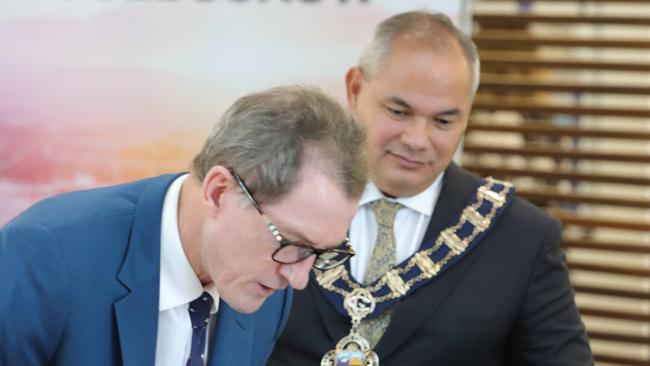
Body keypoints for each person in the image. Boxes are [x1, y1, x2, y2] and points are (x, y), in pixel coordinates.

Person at [268, 11, 593, 365]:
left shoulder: (522, 237)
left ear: (467, 116)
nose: (417, 140)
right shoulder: (278, 197)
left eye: (443, 121)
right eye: (398, 112)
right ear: (355, 89)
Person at [0, 85, 368, 366]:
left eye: (319, 253)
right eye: (293, 243)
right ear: (219, 191)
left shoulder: (274, 280)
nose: (300, 280)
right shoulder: (46, 253)